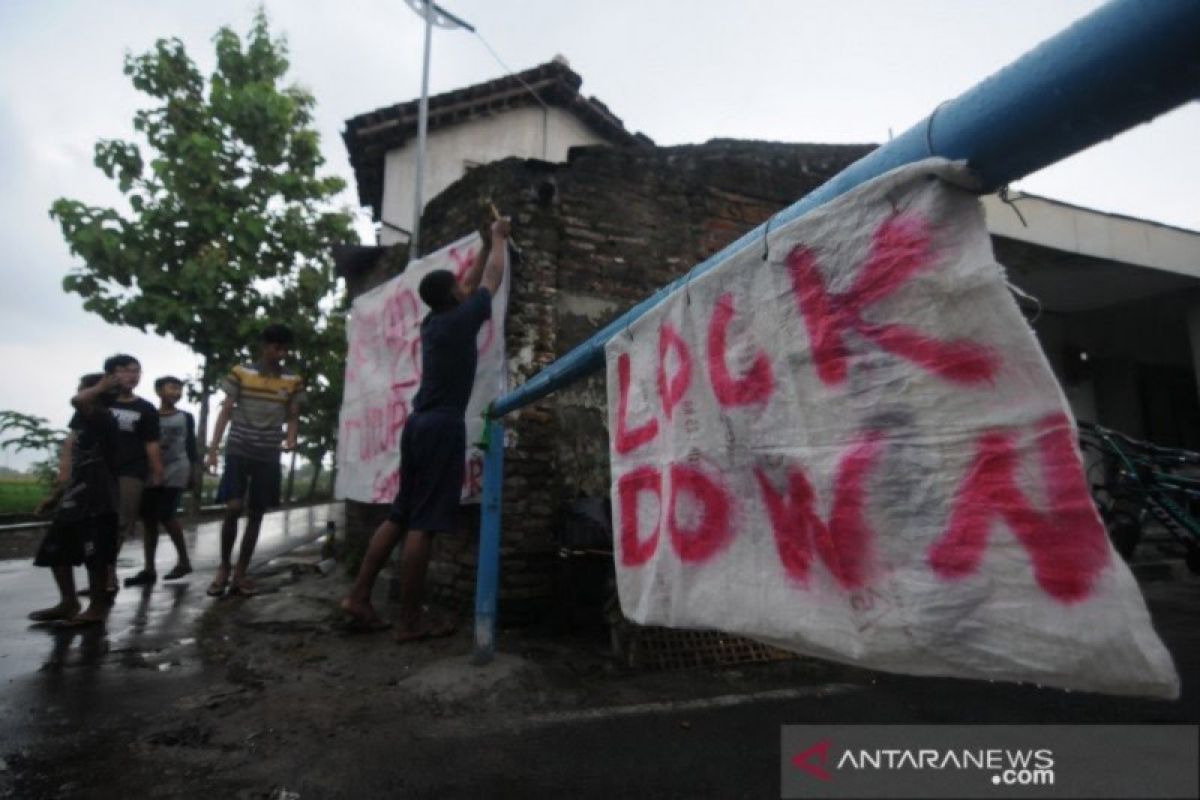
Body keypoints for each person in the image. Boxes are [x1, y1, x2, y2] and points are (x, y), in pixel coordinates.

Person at [341, 216, 510, 641]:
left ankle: (359, 596)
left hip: (416, 426)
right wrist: (499, 239)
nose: (463, 285)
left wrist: (486, 245)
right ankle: (410, 622)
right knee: (425, 525)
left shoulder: (435, 322)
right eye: (457, 284)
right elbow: (489, 278)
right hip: (441, 429)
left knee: (399, 515)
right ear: (453, 295)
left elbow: (469, 285)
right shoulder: (460, 321)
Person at [204, 324, 304, 597]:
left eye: (285, 349)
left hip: (268, 452)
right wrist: (213, 449)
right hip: (238, 447)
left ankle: (241, 572)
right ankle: (224, 567)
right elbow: (226, 410)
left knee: (257, 512)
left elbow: (293, 414)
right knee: (233, 507)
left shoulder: (293, 380)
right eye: (276, 348)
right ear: (265, 346)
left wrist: (291, 437)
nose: (280, 353)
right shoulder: (241, 372)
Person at [28, 372, 121, 626]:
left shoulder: (103, 418)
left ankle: (97, 607)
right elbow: (71, 467)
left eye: (83, 389)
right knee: (56, 552)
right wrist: (56, 496)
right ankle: (68, 602)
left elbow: (79, 401)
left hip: (99, 500)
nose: (79, 392)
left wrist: (99, 387)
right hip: (75, 498)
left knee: (96, 558)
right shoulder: (82, 425)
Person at [124, 376, 197, 586]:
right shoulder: (148, 415)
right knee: (148, 519)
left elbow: (190, 446)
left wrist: (193, 472)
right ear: (159, 391)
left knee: (167, 514)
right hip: (151, 472)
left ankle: (183, 561)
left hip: (177, 471)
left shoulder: (186, 417)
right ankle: (149, 569)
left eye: (179, 389)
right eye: (172, 388)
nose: (176, 393)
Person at [104, 354, 164, 594]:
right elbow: (75, 436)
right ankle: (99, 571)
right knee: (97, 524)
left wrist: (157, 472)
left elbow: (151, 443)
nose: (133, 375)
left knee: (120, 523)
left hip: (131, 471)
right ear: (111, 374)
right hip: (99, 471)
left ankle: (108, 573)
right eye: (126, 370)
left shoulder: (145, 408)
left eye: (137, 371)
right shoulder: (99, 401)